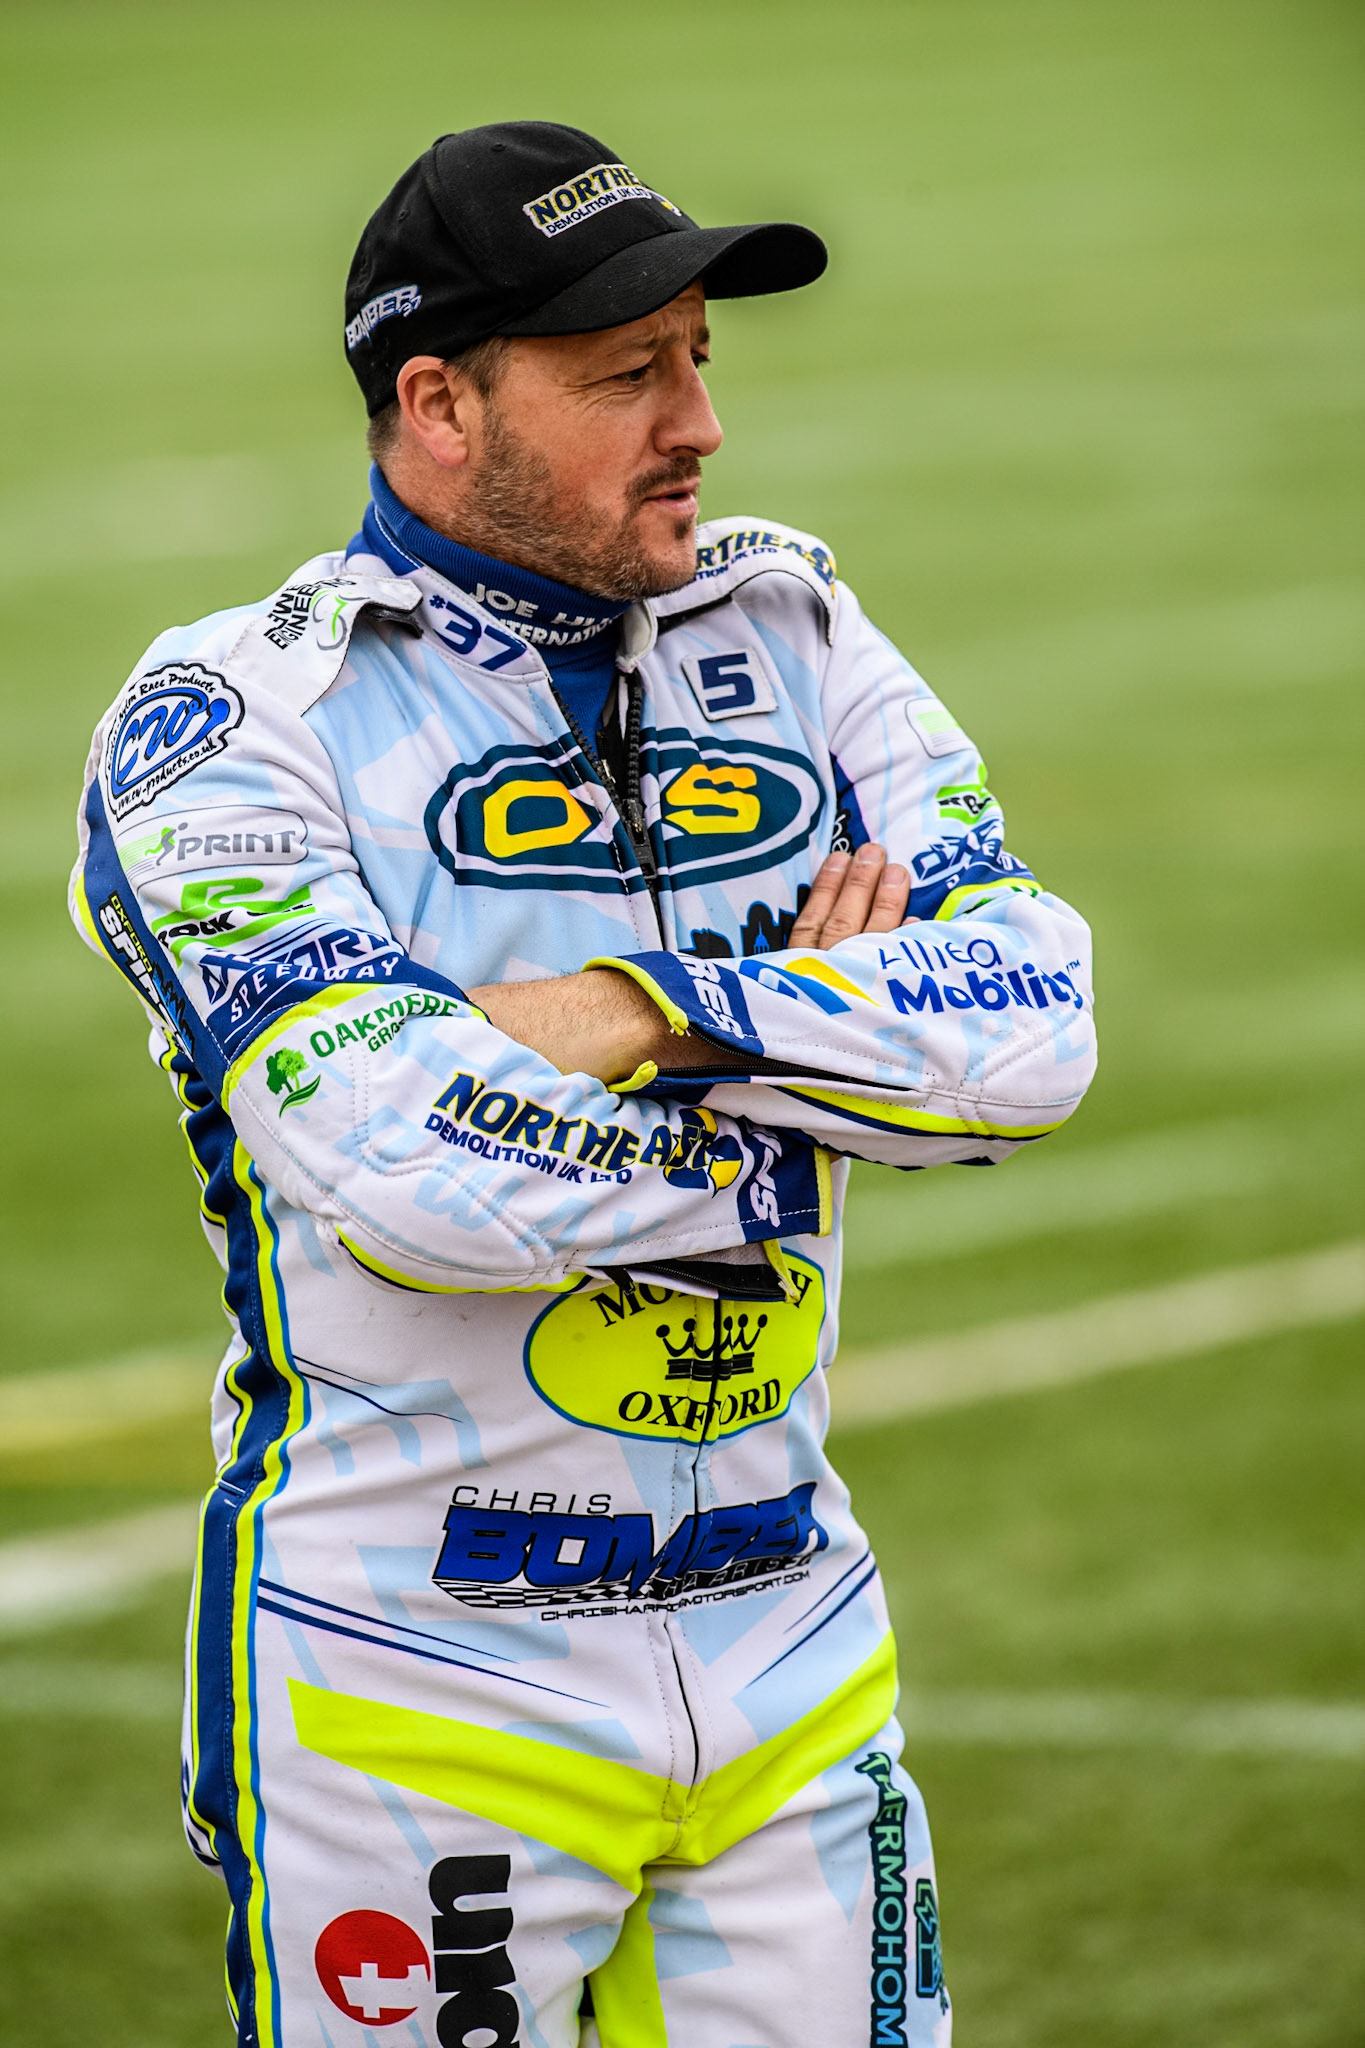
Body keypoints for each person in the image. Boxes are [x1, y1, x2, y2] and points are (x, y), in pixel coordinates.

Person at [71, 121, 1095, 2048]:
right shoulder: (234, 721)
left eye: (700, 356)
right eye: (628, 374)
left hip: (794, 1640)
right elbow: (417, 1176)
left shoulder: (796, 630)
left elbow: (1034, 1034)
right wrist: (823, 1036)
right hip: (411, 1679)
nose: (696, 422)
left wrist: (627, 1012)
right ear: (438, 403)